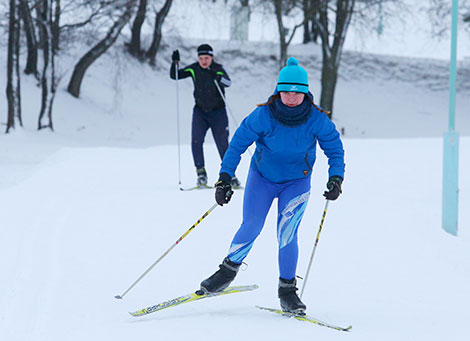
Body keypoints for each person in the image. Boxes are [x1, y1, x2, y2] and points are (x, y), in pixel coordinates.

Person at [198, 57, 345, 314]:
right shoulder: (264, 114)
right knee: (251, 225)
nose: (291, 97)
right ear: (278, 90)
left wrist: (336, 178)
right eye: (286, 91)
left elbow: (334, 149)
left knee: (287, 233)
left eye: (297, 92)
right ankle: (226, 272)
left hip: (296, 182)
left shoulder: (317, 119)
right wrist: (224, 177)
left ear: (305, 92)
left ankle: (287, 290)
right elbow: (237, 145)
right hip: (262, 179)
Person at [170, 44, 241, 188]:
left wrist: (218, 77)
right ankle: (201, 173)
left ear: (212, 57)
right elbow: (175, 75)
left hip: (218, 112)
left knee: (222, 144)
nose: (203, 61)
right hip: (200, 112)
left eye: (206, 58)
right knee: (196, 142)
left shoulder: (218, 68)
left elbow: (228, 82)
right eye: (201, 58)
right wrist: (174, 63)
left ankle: (230, 175)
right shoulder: (194, 68)